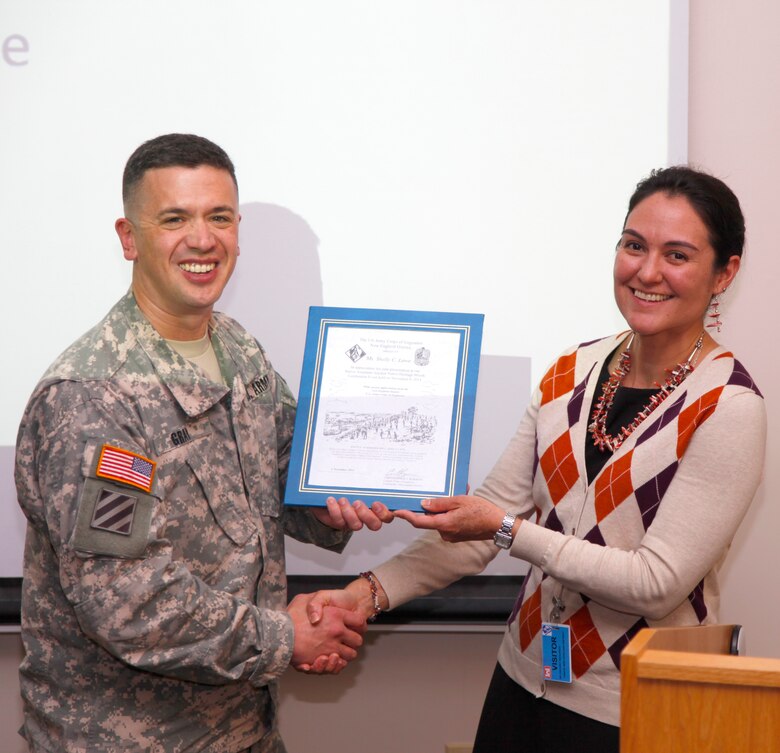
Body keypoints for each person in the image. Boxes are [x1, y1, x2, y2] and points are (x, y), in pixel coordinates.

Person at [322, 166, 766, 752]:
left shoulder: (729, 407)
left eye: (677, 255)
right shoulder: (570, 372)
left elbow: (655, 584)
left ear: (724, 272)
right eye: (634, 245)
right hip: (521, 681)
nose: (647, 271)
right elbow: (479, 530)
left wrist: (508, 530)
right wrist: (361, 594)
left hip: (638, 708)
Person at [14, 133, 390, 753]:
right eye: (174, 219)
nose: (202, 239)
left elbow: (284, 465)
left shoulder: (237, 348)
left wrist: (329, 497)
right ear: (129, 236)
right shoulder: (93, 395)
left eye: (219, 217)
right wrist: (284, 638)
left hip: (243, 728)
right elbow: (129, 598)